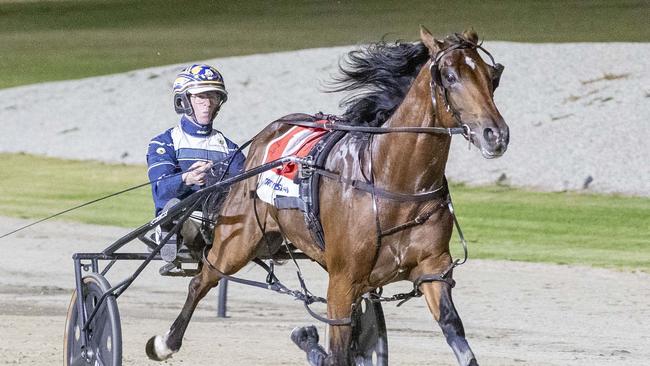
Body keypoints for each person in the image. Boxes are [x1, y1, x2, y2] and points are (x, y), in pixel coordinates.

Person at [146, 64, 246, 265]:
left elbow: (247, 185)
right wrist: (186, 178)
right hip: (185, 215)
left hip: (220, 220)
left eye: (213, 97)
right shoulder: (165, 142)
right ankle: (171, 232)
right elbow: (160, 190)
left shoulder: (229, 148)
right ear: (183, 100)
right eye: (201, 97)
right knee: (178, 211)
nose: (207, 104)